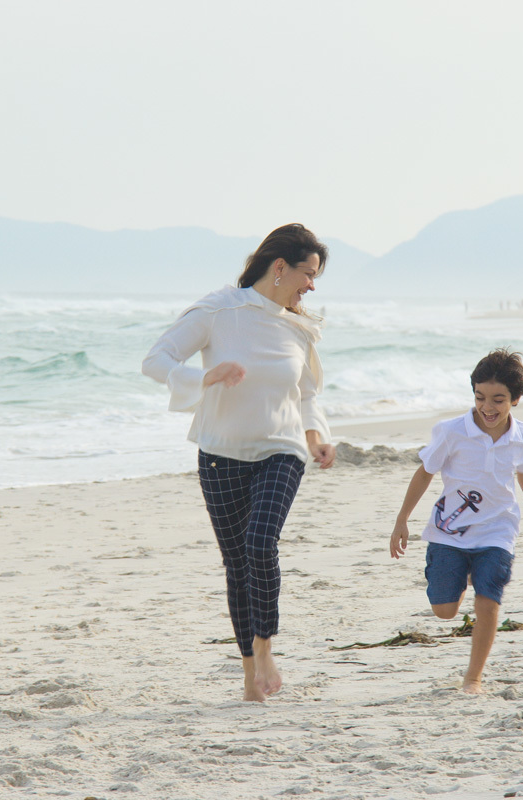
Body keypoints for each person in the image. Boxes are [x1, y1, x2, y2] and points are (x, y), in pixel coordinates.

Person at [142, 223, 336, 702]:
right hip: (220, 455)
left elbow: (307, 393)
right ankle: (251, 675)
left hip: (281, 449)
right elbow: (156, 360)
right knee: (236, 564)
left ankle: (265, 648)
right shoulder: (219, 310)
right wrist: (206, 376)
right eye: (308, 274)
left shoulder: (297, 328)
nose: (311, 286)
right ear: (279, 267)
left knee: (259, 543)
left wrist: (316, 437)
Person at [389, 349, 523, 694]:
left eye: (498, 400)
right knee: (444, 611)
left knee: (488, 601)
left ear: (515, 399)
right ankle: (464, 572)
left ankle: (474, 678)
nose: (487, 407)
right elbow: (424, 473)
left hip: (498, 530)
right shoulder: (452, 431)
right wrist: (402, 520)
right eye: (480, 397)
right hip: (449, 533)